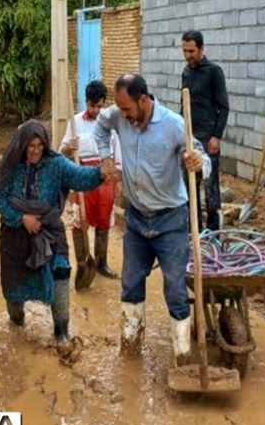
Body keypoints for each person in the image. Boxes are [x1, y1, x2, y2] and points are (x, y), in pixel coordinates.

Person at [94, 74, 206, 365]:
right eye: (121, 111)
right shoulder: (118, 115)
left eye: (129, 109)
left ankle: (182, 358)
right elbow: (101, 127)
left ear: (143, 99)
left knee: (175, 287)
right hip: (136, 218)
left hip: (171, 220)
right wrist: (105, 157)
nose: (125, 116)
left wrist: (198, 162)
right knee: (130, 281)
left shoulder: (173, 125)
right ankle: (130, 349)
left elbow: (200, 154)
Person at [0, 120, 114, 350]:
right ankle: (17, 324)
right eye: (30, 146)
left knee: (60, 272)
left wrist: (99, 173)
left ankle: (62, 333)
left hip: (49, 231)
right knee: (13, 284)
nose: (36, 150)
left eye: (39, 145)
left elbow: (79, 176)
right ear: (21, 147)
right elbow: (0, 197)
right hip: (15, 236)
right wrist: (21, 218)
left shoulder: (56, 164)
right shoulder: (11, 167)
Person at [60, 80, 122, 286]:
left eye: (99, 106)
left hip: (106, 177)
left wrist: (118, 178)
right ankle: (82, 262)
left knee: (104, 220)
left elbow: (117, 152)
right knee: (80, 221)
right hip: (83, 176)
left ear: (104, 103)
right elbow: (61, 151)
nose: (95, 110)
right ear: (86, 103)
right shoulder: (75, 122)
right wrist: (69, 147)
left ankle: (101, 262)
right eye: (92, 106)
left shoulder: (111, 124)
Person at [181, 30, 229, 231]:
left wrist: (216, 136)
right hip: (189, 138)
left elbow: (224, 106)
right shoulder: (186, 72)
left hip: (208, 138)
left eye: (191, 51)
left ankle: (213, 235)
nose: (188, 55)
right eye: (184, 51)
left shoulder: (214, 72)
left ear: (201, 49)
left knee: (210, 190)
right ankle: (194, 232)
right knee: (188, 187)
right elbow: (183, 105)